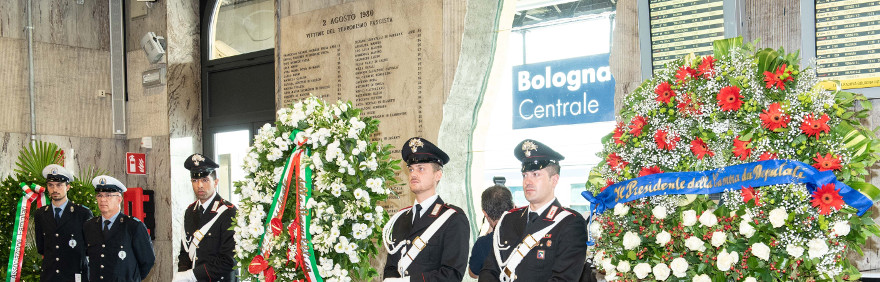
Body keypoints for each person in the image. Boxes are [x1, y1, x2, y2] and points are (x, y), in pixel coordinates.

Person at [479, 139, 588, 281]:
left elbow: (563, 279)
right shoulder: (509, 219)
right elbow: (489, 270)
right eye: (525, 175)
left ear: (554, 180)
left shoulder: (570, 223)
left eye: (535, 174)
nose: (527, 182)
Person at [382, 137, 470, 281]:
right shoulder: (401, 218)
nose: (414, 174)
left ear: (438, 175)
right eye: (411, 169)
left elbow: (452, 275)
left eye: (421, 168)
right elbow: (391, 267)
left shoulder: (453, 218)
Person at [173, 153, 237, 282]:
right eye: (195, 180)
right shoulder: (190, 212)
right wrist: (183, 274)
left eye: (205, 180)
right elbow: (185, 253)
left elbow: (229, 259)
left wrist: (192, 275)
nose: (200, 185)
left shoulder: (228, 212)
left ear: (216, 182)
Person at [83, 175, 155, 281]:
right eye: (99, 195)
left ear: (119, 199)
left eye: (108, 195)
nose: (103, 199)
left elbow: (147, 260)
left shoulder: (133, 226)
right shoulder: (90, 225)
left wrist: (131, 278)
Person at [34, 164, 93, 282]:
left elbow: (90, 248)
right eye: (51, 185)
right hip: (49, 276)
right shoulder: (41, 214)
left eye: (59, 185)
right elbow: (41, 247)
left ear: (68, 187)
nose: (55, 189)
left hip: (75, 275)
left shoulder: (82, 213)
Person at [468, 184, 514, 278]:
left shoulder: (483, 243)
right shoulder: (527, 233)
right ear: (513, 207)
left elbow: (473, 273)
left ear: (485, 213)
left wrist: (490, 228)